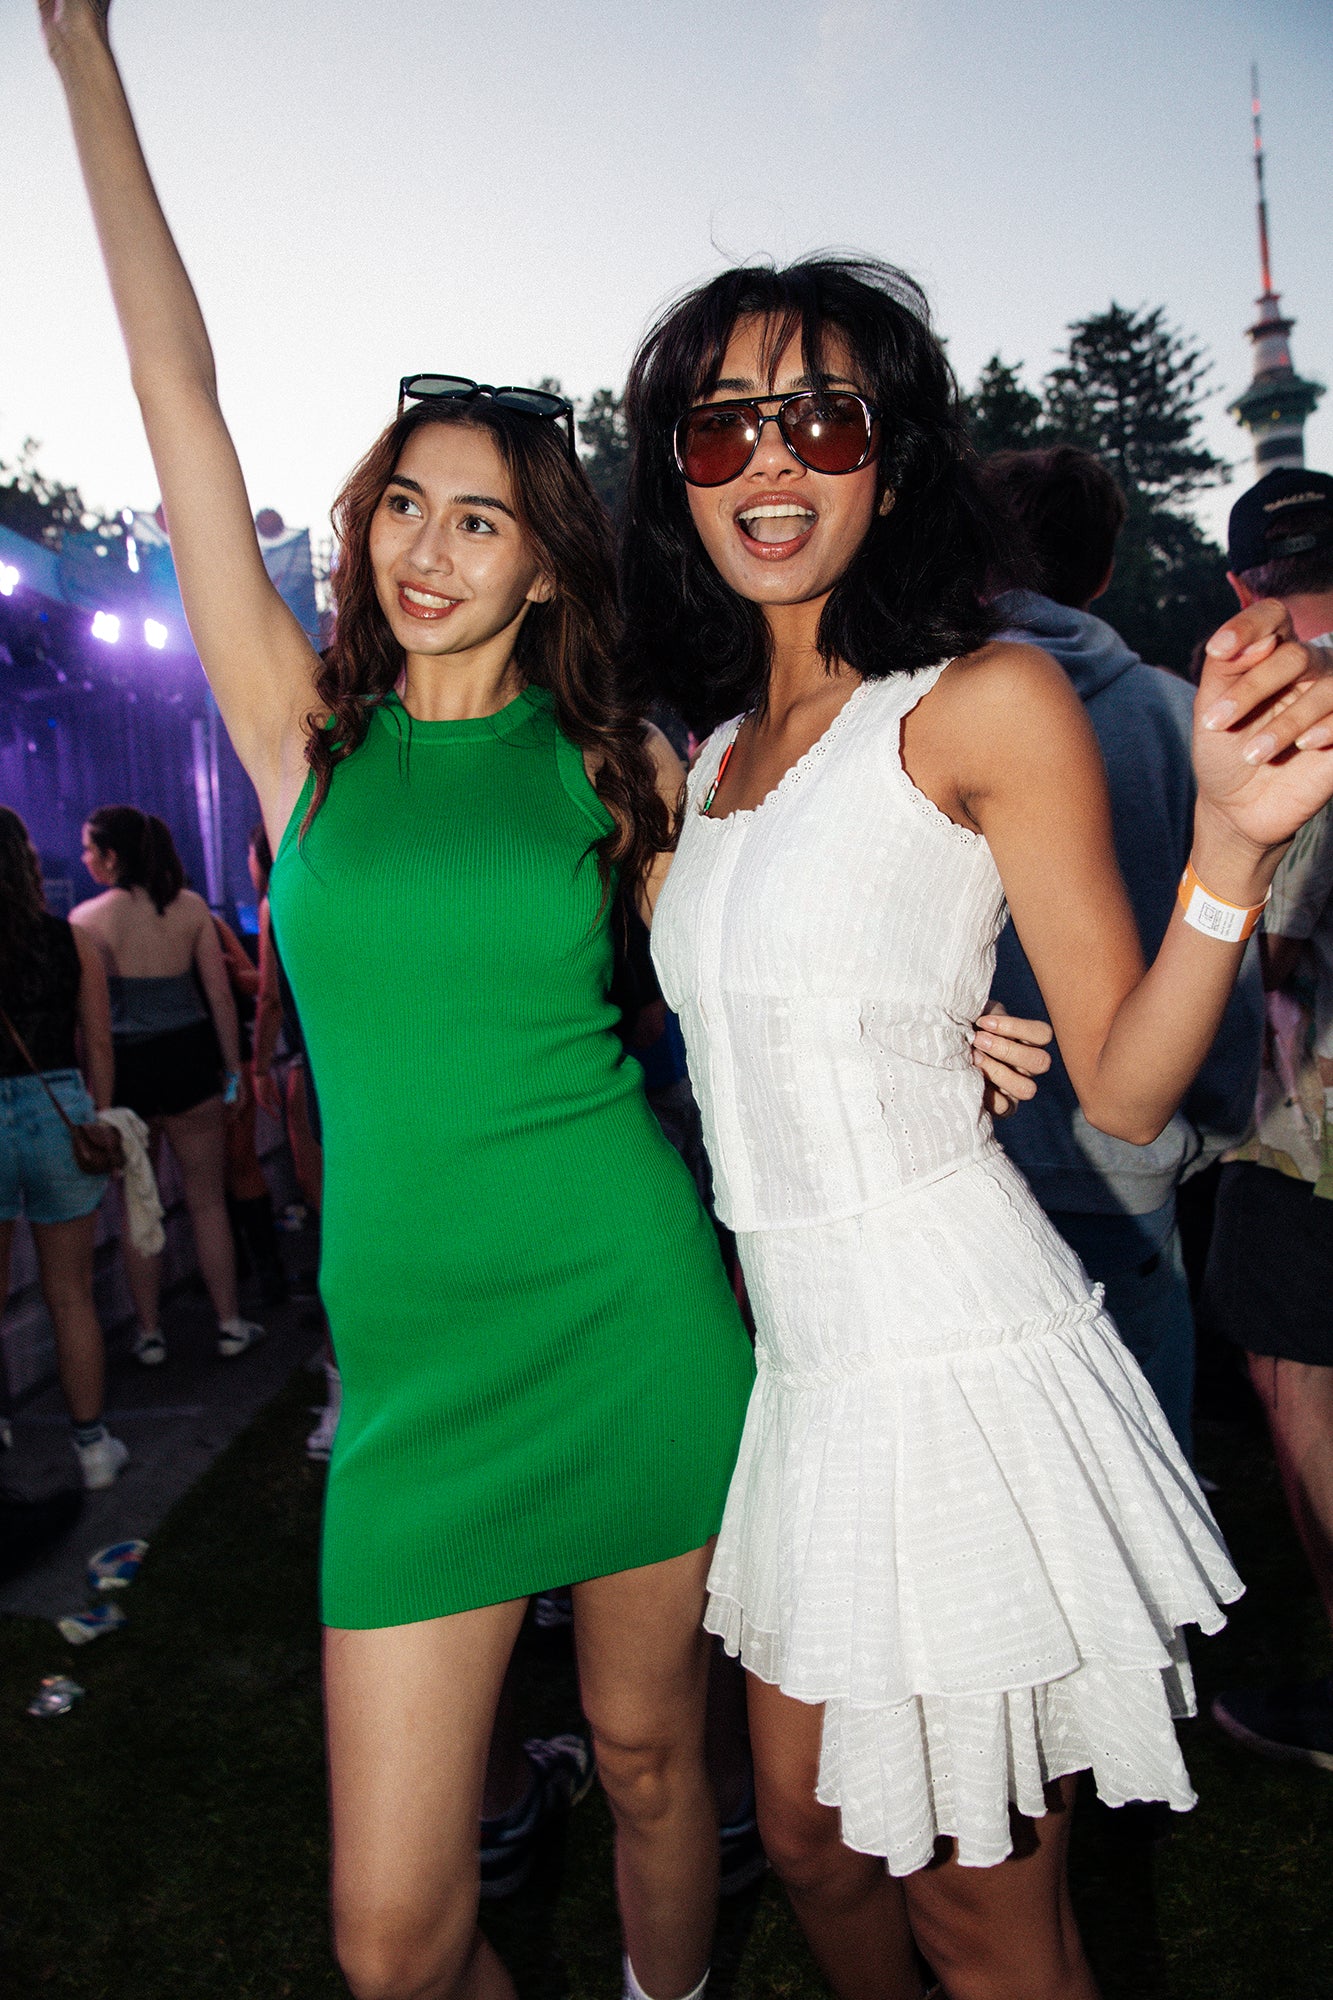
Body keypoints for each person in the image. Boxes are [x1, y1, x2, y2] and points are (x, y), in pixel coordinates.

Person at [625, 256, 1333, 2000]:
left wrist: (1226, 858)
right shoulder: (708, 760)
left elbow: (1123, 1084)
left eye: (821, 421)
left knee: (978, 1915)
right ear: (677, 473)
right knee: (808, 1845)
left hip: (950, 1359)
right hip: (804, 1380)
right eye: (721, 427)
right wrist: (914, 1030)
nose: (768, 460)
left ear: (889, 464)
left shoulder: (977, 700)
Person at [980, 444, 1263, 1460]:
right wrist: (1206, 1119)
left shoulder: (921, 710)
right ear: (1102, 571)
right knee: (1142, 1474)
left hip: (967, 1153)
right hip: (1130, 1169)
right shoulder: (1175, 716)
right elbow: (1229, 964)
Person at [1205, 468, 1333, 1770]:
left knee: (1303, 1398)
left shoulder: (1288, 705)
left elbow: (1269, 947)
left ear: (1240, 581)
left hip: (1306, 1130)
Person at [71, 805, 264, 1367]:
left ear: (112, 856)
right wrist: (234, 1073)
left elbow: (90, 1022)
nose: (84, 858)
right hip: (189, 1061)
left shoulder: (86, 919)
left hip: (127, 1068)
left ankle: (150, 1334)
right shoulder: (191, 908)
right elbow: (220, 996)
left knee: (140, 1204)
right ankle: (229, 1323)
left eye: (90, 849)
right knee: (207, 1201)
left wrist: (98, 1098)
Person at [0, 806, 127, 1490]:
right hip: (58, 1109)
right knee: (71, 1294)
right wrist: (101, 1115)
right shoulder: (69, 939)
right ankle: (93, 1449)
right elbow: (98, 1041)